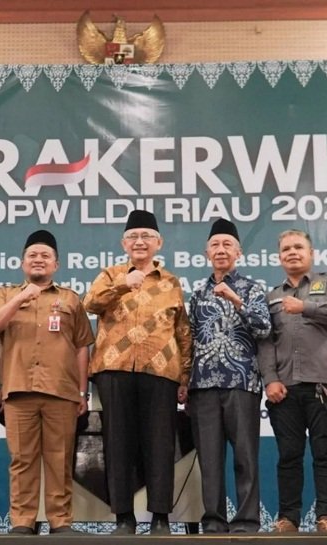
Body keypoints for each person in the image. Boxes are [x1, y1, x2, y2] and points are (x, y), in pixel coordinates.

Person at [83, 210, 191, 536]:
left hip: (160, 372)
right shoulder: (110, 274)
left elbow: (183, 332)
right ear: (124, 244)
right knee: (118, 444)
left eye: (146, 236)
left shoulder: (171, 282)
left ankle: (160, 518)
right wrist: (122, 284)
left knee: (160, 445)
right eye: (133, 237)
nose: (139, 242)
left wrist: (185, 376)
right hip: (114, 370)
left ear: (159, 243)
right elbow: (90, 303)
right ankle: (123, 518)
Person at [0, 230, 92, 536]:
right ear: (22, 263)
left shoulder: (70, 299)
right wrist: (20, 298)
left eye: (45, 255)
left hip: (62, 391)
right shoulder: (5, 295)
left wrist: (83, 392)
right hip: (18, 390)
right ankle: (23, 522)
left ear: (56, 264)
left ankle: (60, 522)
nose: (38, 260)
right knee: (22, 460)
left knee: (60, 460)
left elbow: (82, 346)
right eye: (32, 255)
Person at [258, 229, 327, 533]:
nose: (292, 252)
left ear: (311, 253)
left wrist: (306, 307)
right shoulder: (272, 296)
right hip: (284, 389)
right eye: (286, 249)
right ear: (279, 257)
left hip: (324, 385)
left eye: (298, 247)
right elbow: (265, 342)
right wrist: (270, 379)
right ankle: (288, 518)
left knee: (325, 454)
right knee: (289, 456)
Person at [187, 218, 271, 534]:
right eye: (215, 245)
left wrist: (237, 301)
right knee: (209, 460)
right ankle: (213, 520)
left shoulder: (252, 288)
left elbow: (264, 328)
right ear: (207, 252)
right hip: (203, 386)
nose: (221, 250)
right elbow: (189, 338)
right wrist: (184, 381)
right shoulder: (198, 293)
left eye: (227, 245)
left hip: (242, 383)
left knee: (245, 457)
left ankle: (246, 521)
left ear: (239, 252)